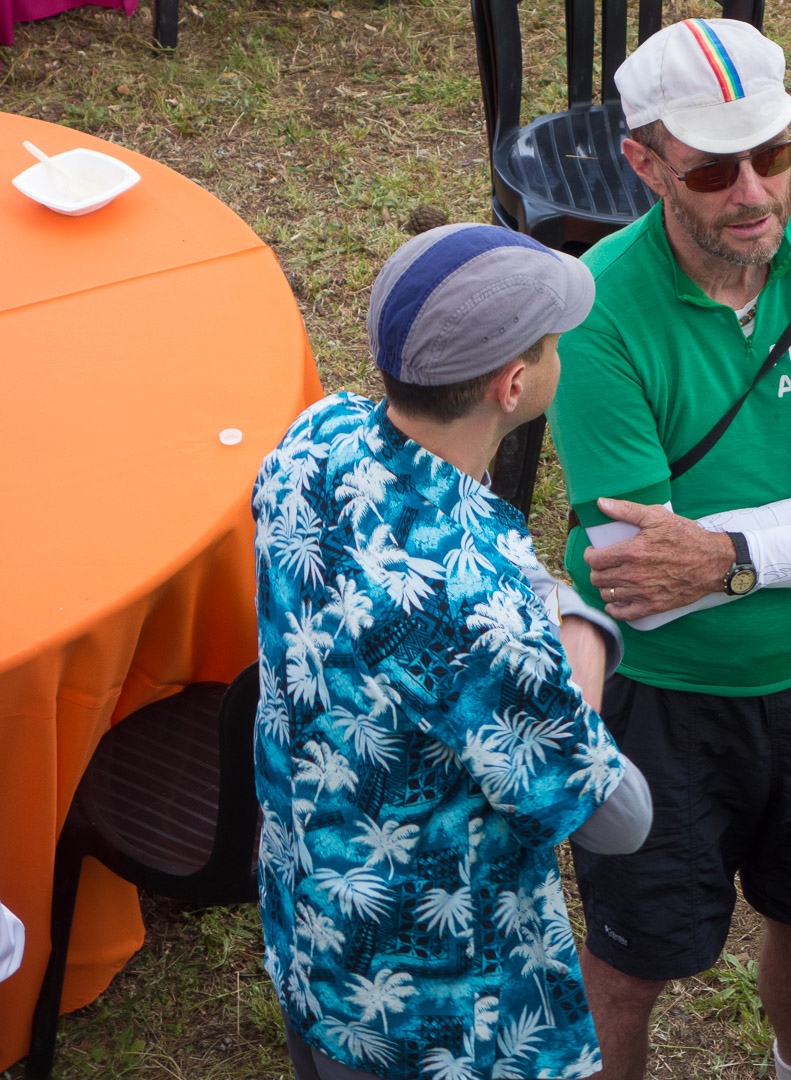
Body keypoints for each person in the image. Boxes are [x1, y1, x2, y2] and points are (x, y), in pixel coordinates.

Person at [545, 18, 791, 1080]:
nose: (756, 191)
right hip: (663, 699)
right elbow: (643, 583)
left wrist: (728, 550)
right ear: (644, 166)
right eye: (715, 170)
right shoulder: (596, 309)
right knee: (630, 964)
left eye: (776, 153)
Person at [253, 224, 652, 1080]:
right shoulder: (483, 622)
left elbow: (470, 567)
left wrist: (542, 601)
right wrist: (582, 637)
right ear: (513, 385)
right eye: (552, 345)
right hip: (433, 1009)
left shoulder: (314, 439)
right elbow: (619, 818)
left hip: (310, 920)